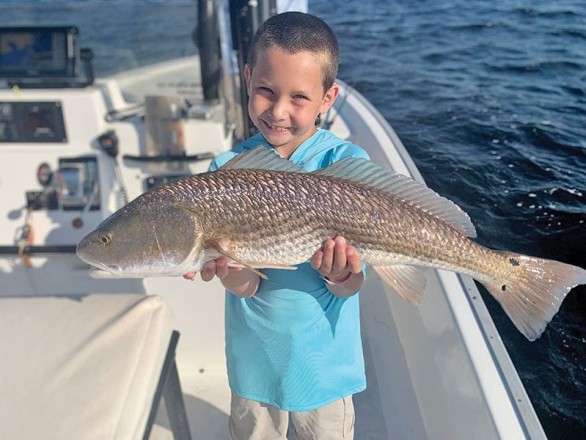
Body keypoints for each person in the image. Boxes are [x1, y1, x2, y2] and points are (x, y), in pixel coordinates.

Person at [184, 11, 369, 439]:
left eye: (299, 98)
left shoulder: (345, 166)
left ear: (328, 99)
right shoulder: (226, 172)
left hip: (324, 376)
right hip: (254, 371)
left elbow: (350, 285)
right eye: (266, 91)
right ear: (247, 78)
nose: (278, 111)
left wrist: (341, 274)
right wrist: (229, 270)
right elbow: (249, 285)